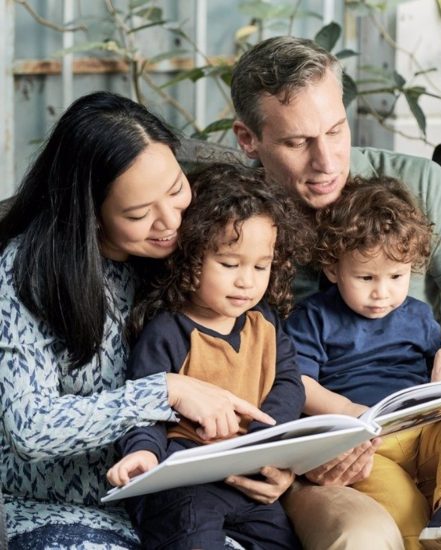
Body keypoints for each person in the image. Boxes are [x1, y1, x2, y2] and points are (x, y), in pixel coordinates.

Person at [230, 36, 441, 549]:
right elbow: (200, 359)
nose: (327, 161)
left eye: (336, 130)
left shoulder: (414, 186)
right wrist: (293, 452)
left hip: (425, 439)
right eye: (297, 142)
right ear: (248, 139)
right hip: (311, 455)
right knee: (366, 538)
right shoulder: (228, 219)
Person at [0, 92, 286, 549]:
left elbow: (257, 353)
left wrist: (275, 461)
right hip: (59, 510)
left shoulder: (187, 247)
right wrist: (165, 390)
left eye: (175, 190)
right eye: (137, 214)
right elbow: (31, 428)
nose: (171, 221)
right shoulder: (26, 274)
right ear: (90, 214)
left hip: (176, 500)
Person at [107, 163, 309, 550]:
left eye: (261, 266)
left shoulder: (264, 322)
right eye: (229, 264)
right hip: (182, 483)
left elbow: (288, 383)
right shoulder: (167, 331)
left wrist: (266, 438)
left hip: (247, 478)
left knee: (283, 539)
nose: (246, 281)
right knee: (191, 534)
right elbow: (144, 406)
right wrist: (144, 454)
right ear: (190, 258)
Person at [285, 177, 441, 550]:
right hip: (366, 443)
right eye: (365, 278)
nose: (382, 292)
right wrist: (346, 410)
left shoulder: (417, 315)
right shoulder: (314, 316)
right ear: (333, 269)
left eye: (396, 276)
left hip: (424, 426)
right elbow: (297, 382)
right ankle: (426, 534)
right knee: (405, 508)